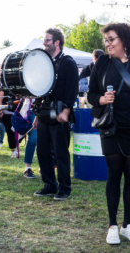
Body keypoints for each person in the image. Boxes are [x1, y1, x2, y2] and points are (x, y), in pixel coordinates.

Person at [88, 23, 130, 245]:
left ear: (124, 38)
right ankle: (113, 226)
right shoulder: (103, 61)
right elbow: (92, 93)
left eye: (111, 39)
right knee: (114, 173)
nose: (107, 43)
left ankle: (128, 225)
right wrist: (102, 99)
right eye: (106, 40)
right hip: (111, 126)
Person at [33, 28, 78, 201]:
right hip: (44, 113)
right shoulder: (46, 63)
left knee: (60, 152)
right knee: (43, 150)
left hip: (60, 112)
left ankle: (64, 188)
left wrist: (66, 111)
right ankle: (49, 185)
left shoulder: (68, 62)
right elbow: (42, 91)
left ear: (57, 42)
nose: (44, 43)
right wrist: (37, 116)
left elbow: (72, 89)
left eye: (47, 40)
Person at [20, 98, 37, 179]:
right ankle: (27, 168)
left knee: (46, 141)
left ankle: (44, 167)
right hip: (32, 109)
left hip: (47, 108)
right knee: (33, 139)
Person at [0, 90, 18, 158]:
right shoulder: (3, 91)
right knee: (10, 132)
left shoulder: (17, 89)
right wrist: (0, 112)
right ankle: (13, 151)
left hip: (17, 114)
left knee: (18, 132)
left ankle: (15, 147)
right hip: (7, 115)